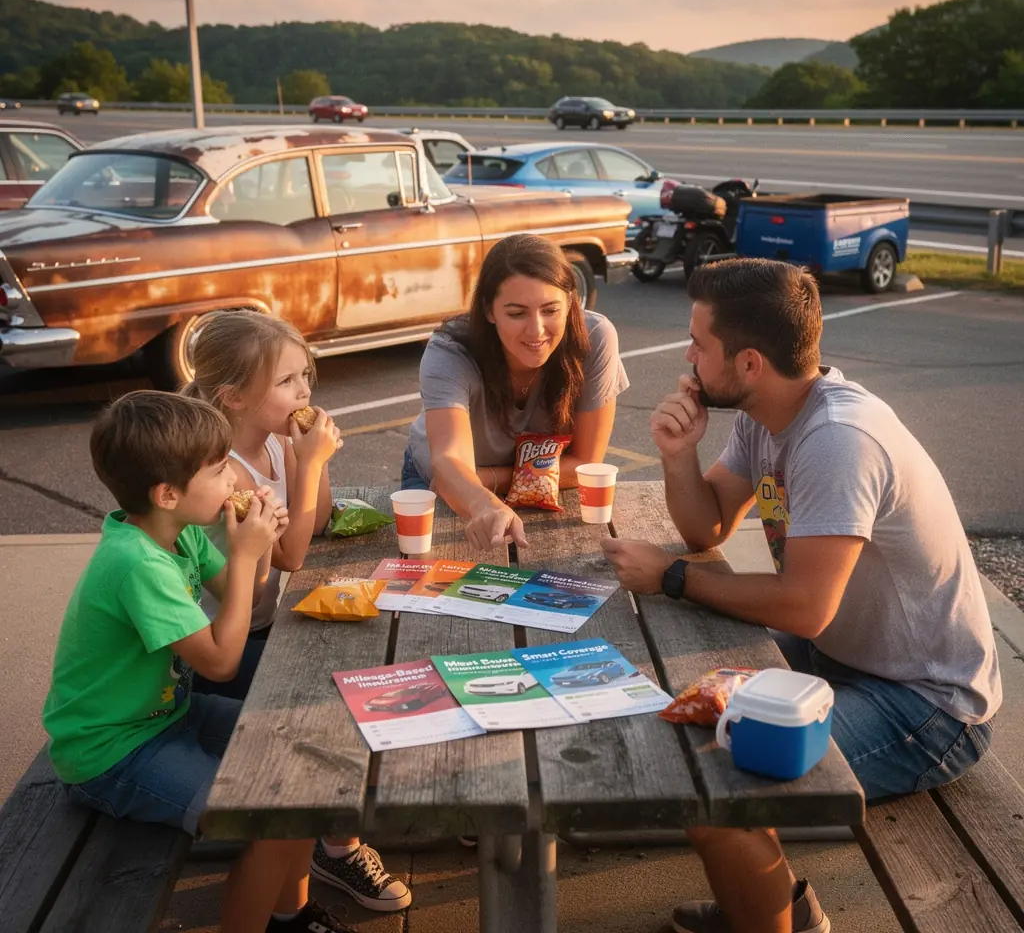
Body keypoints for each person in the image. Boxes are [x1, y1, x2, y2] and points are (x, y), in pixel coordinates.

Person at [601, 258, 1001, 933]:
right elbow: (705, 528)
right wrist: (678, 455)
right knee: (667, 691)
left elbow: (803, 606)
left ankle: (771, 919)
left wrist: (670, 576)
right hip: (840, 656)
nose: (688, 357)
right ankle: (775, 907)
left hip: (927, 704)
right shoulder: (769, 412)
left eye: (699, 344)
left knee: (715, 792)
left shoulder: (838, 440)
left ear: (749, 361)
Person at [42, 390, 357, 933]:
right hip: (111, 752)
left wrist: (256, 547)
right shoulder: (136, 563)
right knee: (275, 818)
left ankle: (292, 915)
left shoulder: (178, 532)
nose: (232, 480)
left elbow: (249, 589)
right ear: (168, 493)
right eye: (218, 471)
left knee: (314, 759)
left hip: (166, 716)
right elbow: (220, 663)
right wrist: (243, 554)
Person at [184, 311, 410, 914]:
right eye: (288, 382)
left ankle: (326, 846)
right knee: (333, 718)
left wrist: (314, 459)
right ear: (233, 396)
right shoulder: (221, 471)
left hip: (270, 627)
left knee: (372, 658)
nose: (305, 392)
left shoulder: (280, 443)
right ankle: (335, 846)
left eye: (305, 377)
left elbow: (325, 514)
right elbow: (289, 554)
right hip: (222, 649)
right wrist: (306, 466)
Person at [403, 233, 629, 553]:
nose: (536, 330)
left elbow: (587, 463)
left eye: (550, 310)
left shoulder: (596, 337)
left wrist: (489, 479)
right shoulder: (449, 350)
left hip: (495, 486)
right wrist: (484, 501)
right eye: (517, 313)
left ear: (570, 302)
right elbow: (449, 464)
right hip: (453, 491)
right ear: (489, 310)